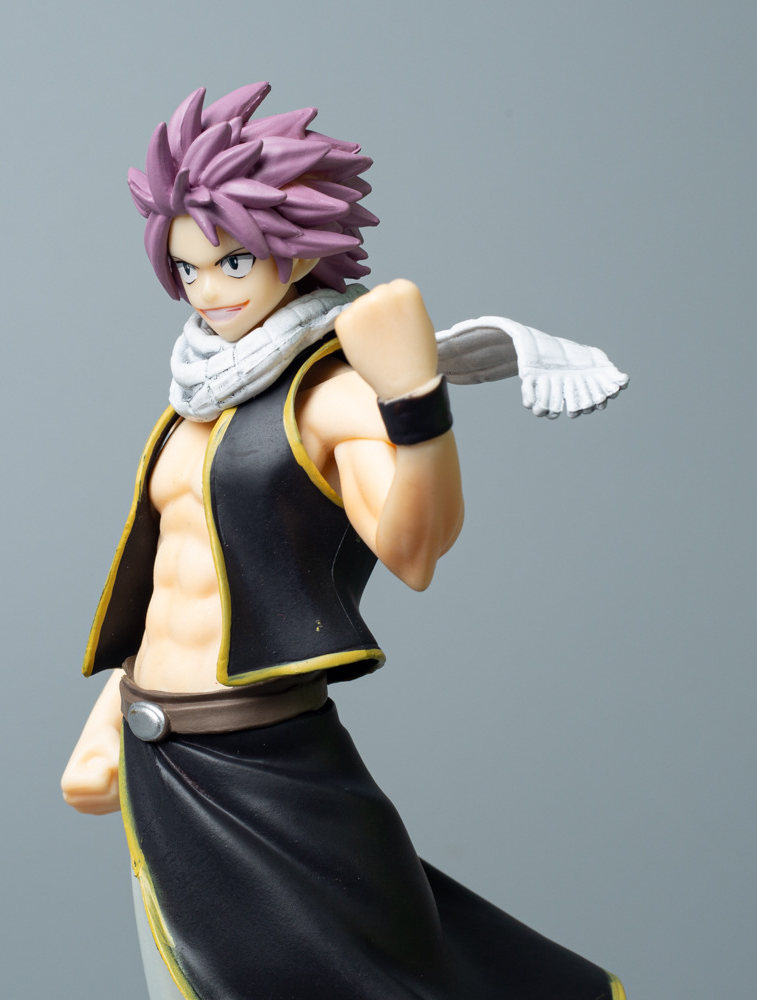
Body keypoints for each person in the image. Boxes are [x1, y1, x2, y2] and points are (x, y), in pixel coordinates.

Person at [61, 82, 627, 1000]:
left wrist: (413, 398)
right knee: (180, 981)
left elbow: (415, 551)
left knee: (373, 975)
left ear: (296, 252)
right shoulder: (193, 402)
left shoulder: (331, 393)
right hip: (160, 759)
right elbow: (170, 586)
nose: (211, 292)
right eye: (189, 269)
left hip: (270, 763)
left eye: (234, 262)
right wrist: (112, 714)